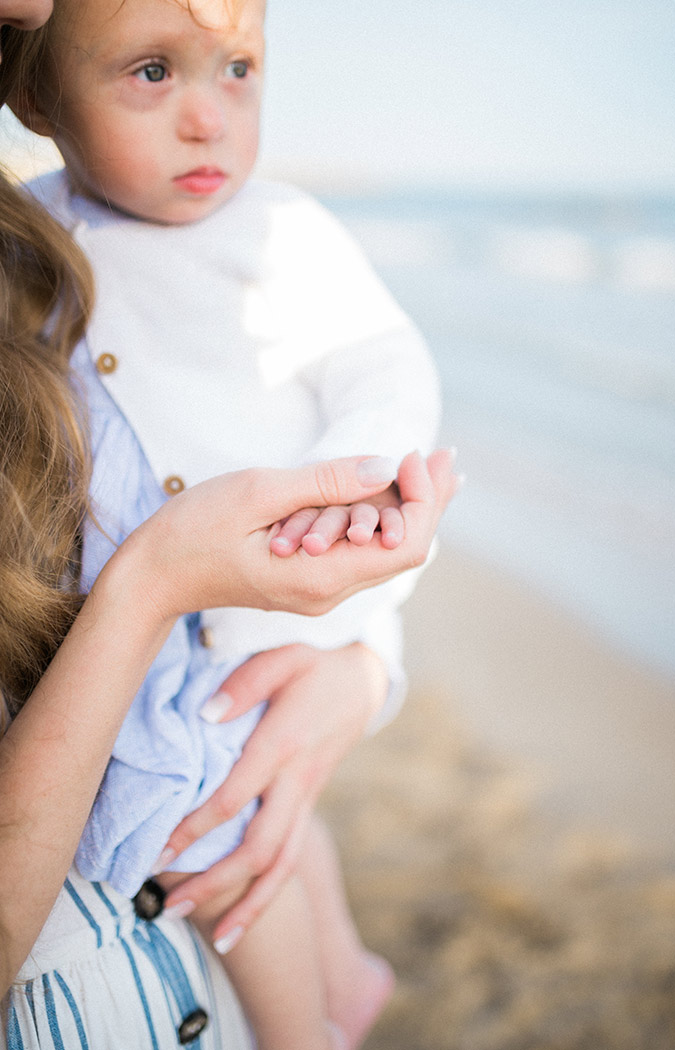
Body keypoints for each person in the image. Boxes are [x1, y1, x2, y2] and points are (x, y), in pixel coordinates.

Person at [0, 4, 457, 1048]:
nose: (209, 118)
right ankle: (345, 977)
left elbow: (384, 368)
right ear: (36, 96)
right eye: (152, 72)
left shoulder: (283, 229)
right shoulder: (26, 244)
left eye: (239, 69)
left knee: (229, 832)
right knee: (248, 819)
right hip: (141, 627)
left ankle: (313, 1024)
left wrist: (360, 487)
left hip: (253, 594)